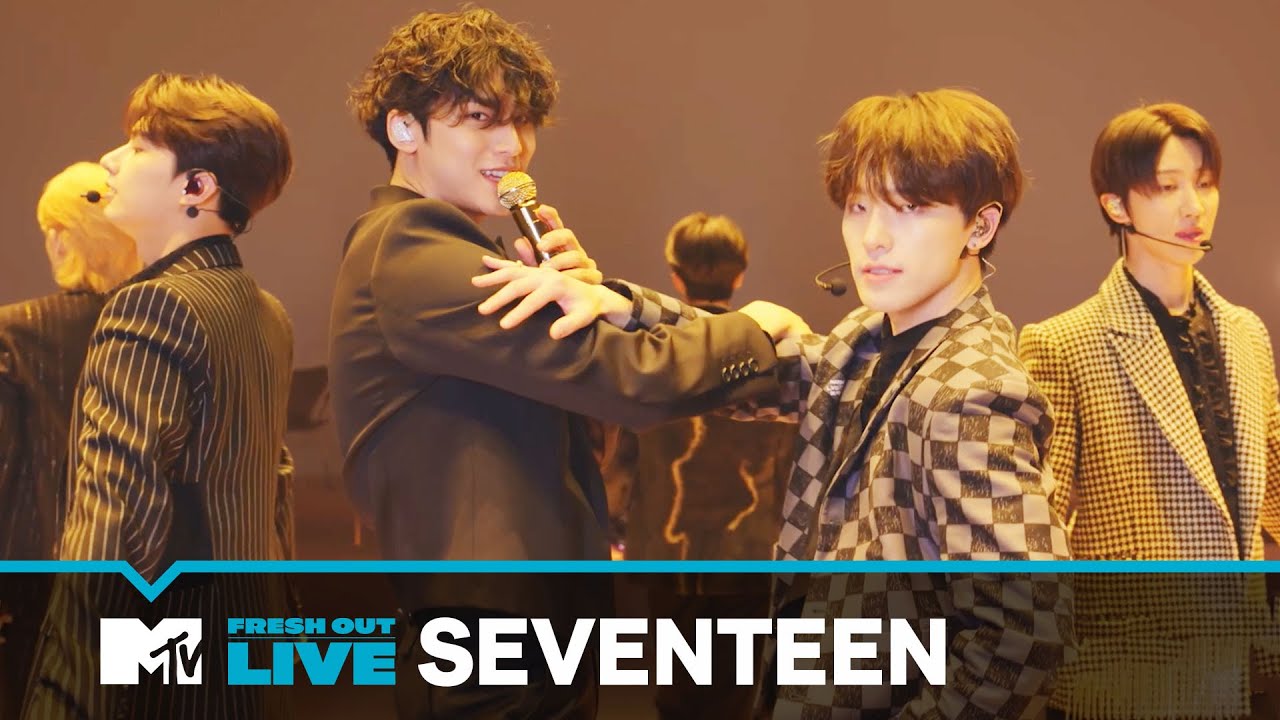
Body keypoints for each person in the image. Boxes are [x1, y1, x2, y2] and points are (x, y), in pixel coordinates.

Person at [474, 87, 1074, 718]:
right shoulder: (868, 340)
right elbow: (766, 371)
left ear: (980, 226)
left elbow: (1025, 634)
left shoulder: (970, 390)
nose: (873, 238)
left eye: (912, 208)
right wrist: (616, 305)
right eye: (859, 207)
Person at [328, 9, 789, 719]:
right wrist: (753, 333)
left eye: (523, 122)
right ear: (404, 129)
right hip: (491, 642)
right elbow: (631, 381)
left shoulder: (449, 251)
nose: (513, 145)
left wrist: (595, 297)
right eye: (481, 118)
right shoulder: (412, 246)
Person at [23, 73, 296, 719]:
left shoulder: (150, 306)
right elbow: (273, 496)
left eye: (140, 147)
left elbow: (117, 517)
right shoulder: (267, 313)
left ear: (196, 188)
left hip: (153, 676)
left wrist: (66, 691)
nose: (111, 159)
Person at [1019, 102, 1280, 719]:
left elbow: (1272, 486)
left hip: (1248, 660)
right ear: (1116, 205)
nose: (1194, 206)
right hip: (1129, 670)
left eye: (1205, 183)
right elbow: (1038, 528)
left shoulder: (1246, 332)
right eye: (1167, 187)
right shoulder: (1063, 342)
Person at [599, 211, 793, 720]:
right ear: (740, 274)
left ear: (676, 275)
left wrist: (613, 530)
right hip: (754, 552)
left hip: (668, 552)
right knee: (743, 696)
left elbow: (622, 457)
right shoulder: (776, 350)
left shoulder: (654, 353)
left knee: (679, 696)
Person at [0, 161, 138, 718]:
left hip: (44, 574)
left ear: (61, 239)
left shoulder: (16, 331)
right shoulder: (160, 324)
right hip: (150, 568)